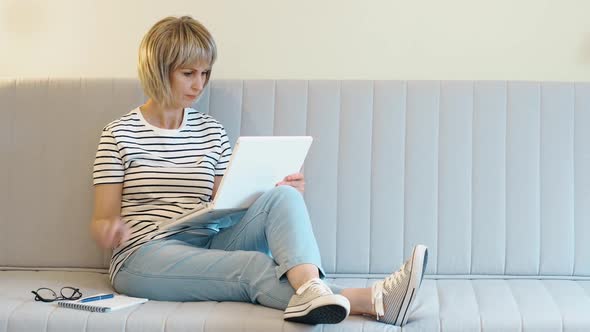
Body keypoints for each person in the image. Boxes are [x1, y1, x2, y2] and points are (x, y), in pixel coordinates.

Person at [90, 15, 428, 326]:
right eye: (188, 73)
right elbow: (102, 219)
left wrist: (275, 192)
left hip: (205, 243)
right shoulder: (118, 134)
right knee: (252, 267)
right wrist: (109, 229)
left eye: (205, 73)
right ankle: (372, 299)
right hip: (144, 255)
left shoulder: (211, 131)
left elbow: (225, 206)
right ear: (159, 69)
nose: (199, 84)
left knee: (283, 196)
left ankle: (314, 287)